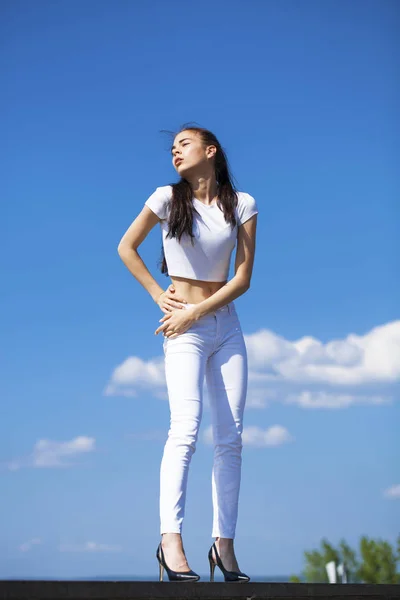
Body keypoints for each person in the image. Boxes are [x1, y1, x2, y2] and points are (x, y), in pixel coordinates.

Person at [117, 125, 258, 582]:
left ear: (210, 151)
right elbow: (126, 247)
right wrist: (161, 297)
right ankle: (170, 541)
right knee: (185, 431)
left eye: (185, 144)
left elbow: (241, 279)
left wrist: (196, 312)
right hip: (183, 328)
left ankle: (225, 547)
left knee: (231, 438)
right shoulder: (165, 198)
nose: (175, 151)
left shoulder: (242, 205)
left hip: (224, 325)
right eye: (173, 147)